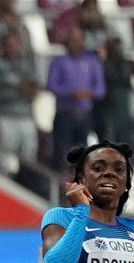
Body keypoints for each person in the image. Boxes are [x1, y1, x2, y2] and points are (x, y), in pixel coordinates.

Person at [46, 27, 105, 169]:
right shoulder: (59, 62)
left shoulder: (92, 62)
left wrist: (88, 93)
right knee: (60, 154)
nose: (76, 43)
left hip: (84, 116)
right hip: (64, 114)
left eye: (78, 40)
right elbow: (51, 85)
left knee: (83, 156)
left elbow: (100, 89)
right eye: (73, 40)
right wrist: (69, 93)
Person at [0, 30, 39, 164]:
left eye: (15, 45)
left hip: (25, 117)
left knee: (28, 158)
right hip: (5, 117)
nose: (12, 48)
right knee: (4, 160)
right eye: (9, 45)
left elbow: (34, 92)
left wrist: (23, 86)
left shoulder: (27, 65)